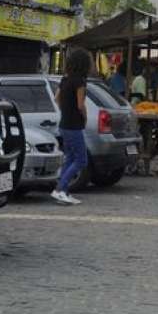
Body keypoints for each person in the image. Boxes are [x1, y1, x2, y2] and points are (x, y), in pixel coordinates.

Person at [52, 48, 92, 206]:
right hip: (74, 125)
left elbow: (56, 98)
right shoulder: (80, 81)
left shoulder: (65, 79)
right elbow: (80, 104)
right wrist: (85, 117)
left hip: (64, 124)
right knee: (81, 160)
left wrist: (65, 110)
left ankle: (63, 191)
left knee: (70, 158)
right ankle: (60, 190)